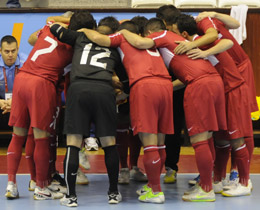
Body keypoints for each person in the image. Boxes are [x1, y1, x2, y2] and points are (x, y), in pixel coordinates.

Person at [117, 17, 227, 202]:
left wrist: (123, 31)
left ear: (149, 33)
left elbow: (139, 42)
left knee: (199, 140)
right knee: (207, 138)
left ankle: (206, 189)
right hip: (213, 82)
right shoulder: (179, 43)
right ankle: (208, 184)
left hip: (199, 85)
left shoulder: (161, 35)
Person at [80, 20, 174, 204]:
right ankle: (153, 185)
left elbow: (99, 38)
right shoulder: (151, 42)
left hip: (145, 85)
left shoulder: (122, 38)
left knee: (150, 143)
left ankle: (156, 191)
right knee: (160, 142)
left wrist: (84, 29)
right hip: (166, 86)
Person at [50, 13, 129, 207]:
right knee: (109, 143)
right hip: (104, 90)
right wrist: (119, 91)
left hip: (78, 89)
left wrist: (67, 20)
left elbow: (53, 27)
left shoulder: (80, 36)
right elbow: (127, 82)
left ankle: (71, 197)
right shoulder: (115, 47)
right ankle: (112, 193)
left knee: (73, 143)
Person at [175, 14, 252, 197]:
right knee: (221, 139)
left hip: (233, 89)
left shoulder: (201, 41)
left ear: (184, 34)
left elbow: (228, 43)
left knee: (236, 137)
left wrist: (203, 52)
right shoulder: (189, 49)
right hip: (220, 92)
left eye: (173, 31)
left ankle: (244, 182)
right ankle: (217, 181)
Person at [5, 10, 77, 201]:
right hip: (42, 83)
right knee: (42, 138)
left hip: (22, 79)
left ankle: (11, 184)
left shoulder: (48, 27)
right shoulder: (76, 40)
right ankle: (41, 187)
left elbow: (31, 38)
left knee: (18, 134)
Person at [116, 16, 148, 184]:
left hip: (139, 92)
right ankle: (123, 169)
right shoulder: (115, 48)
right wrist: (118, 89)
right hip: (122, 94)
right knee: (121, 128)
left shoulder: (144, 47)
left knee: (136, 129)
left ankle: (134, 166)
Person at [0, 35, 27, 129]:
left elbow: (31, 91)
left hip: (22, 102)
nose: (10, 55)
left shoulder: (27, 63)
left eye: (13, 51)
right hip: (2, 103)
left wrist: (16, 102)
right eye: (7, 51)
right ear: (0, 51)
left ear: (17, 49)